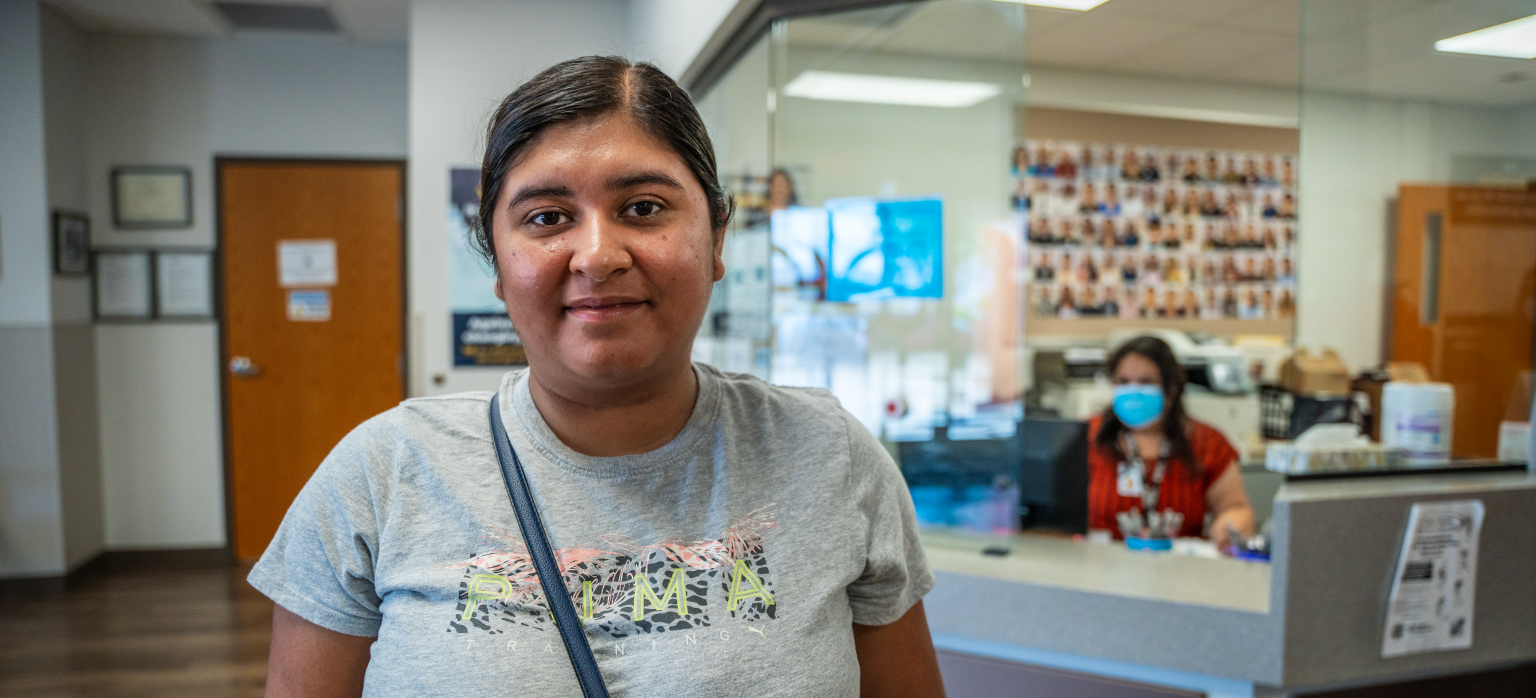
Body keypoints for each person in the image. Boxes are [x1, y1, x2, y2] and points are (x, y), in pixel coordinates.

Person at [253, 56, 943, 697]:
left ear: (718, 240)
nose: (597, 255)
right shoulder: (383, 472)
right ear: (495, 265)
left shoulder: (830, 455)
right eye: (548, 218)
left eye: (643, 208)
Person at [1087, 337, 1256, 547]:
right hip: (1100, 567)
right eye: (1123, 382)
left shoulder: (1208, 443)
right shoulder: (1085, 437)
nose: (1133, 391)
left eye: (1146, 382)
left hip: (1181, 569)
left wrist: (1229, 529)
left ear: (1172, 389)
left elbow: (1235, 508)